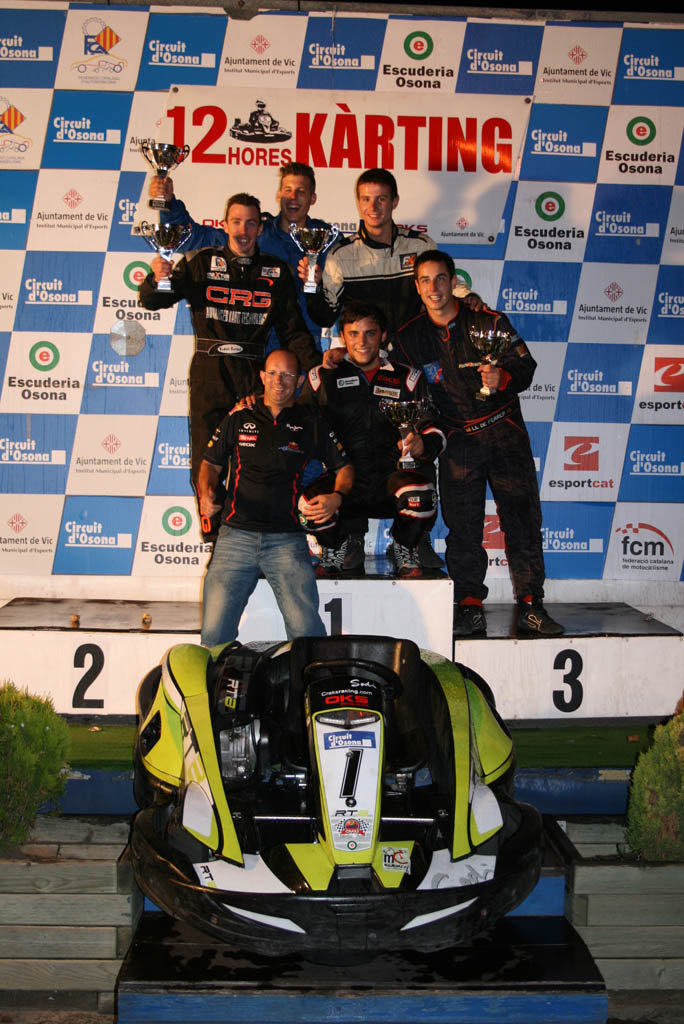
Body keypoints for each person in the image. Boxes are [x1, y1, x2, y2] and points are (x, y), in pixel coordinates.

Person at [393, 250, 564, 638]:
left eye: (441, 278)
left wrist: (502, 377)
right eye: (425, 280)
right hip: (458, 440)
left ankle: (531, 605)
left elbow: (526, 366)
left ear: (453, 281)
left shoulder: (489, 320)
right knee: (463, 530)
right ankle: (469, 606)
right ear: (416, 286)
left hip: (505, 433)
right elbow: (410, 393)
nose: (434, 288)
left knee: (522, 521)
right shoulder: (409, 337)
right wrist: (420, 432)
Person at [138, 192, 319, 507]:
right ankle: (213, 529)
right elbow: (154, 301)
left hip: (255, 376)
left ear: (260, 228)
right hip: (210, 371)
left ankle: (245, 528)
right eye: (236, 222)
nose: (243, 230)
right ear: (224, 225)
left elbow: (293, 330)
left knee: (253, 461)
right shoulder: (200, 262)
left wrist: (317, 368)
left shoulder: (276, 271)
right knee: (206, 462)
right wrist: (157, 279)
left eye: (250, 223)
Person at [198, 349, 353, 647]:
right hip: (235, 538)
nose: (279, 381)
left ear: (299, 381)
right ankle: (218, 677)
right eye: (273, 373)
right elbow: (210, 463)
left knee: (306, 632)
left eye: (287, 375)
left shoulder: (311, 422)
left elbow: (344, 468)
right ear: (262, 376)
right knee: (214, 634)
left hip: (287, 540)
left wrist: (337, 496)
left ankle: (308, 677)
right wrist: (206, 490)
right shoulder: (239, 415)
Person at [299, 300, 446, 579]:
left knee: (422, 496)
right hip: (345, 482)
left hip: (392, 480)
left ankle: (404, 546)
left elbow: (434, 426)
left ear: (383, 335)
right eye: (354, 334)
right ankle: (336, 545)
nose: (362, 342)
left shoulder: (408, 378)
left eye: (370, 333)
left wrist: (422, 444)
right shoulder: (321, 377)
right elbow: (296, 425)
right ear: (343, 337)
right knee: (307, 506)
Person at [146, 162, 330, 350]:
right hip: (257, 352)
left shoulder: (326, 241)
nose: (293, 197)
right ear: (278, 194)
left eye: (301, 191)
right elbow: (194, 237)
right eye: (288, 190)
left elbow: (335, 304)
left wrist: (317, 285)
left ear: (313, 198)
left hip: (301, 347)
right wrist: (169, 203)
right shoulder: (253, 232)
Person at [299, 168, 437, 340]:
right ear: (358, 202)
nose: (373, 207)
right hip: (367, 353)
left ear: (394, 202)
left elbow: (444, 290)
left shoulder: (420, 246)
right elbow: (325, 317)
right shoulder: (341, 254)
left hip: (413, 350)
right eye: (366, 199)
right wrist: (312, 285)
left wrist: (466, 297)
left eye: (381, 199)